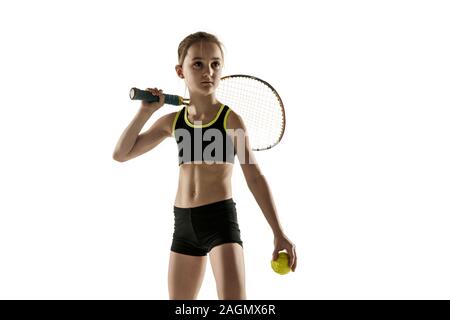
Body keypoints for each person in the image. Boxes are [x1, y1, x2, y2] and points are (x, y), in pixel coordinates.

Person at [113, 31, 297, 300]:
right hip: (183, 224)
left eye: (215, 64)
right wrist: (145, 112)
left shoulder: (230, 120)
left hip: (219, 222)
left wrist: (278, 232)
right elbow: (121, 153)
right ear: (180, 71)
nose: (208, 71)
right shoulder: (173, 122)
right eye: (197, 64)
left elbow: (254, 177)